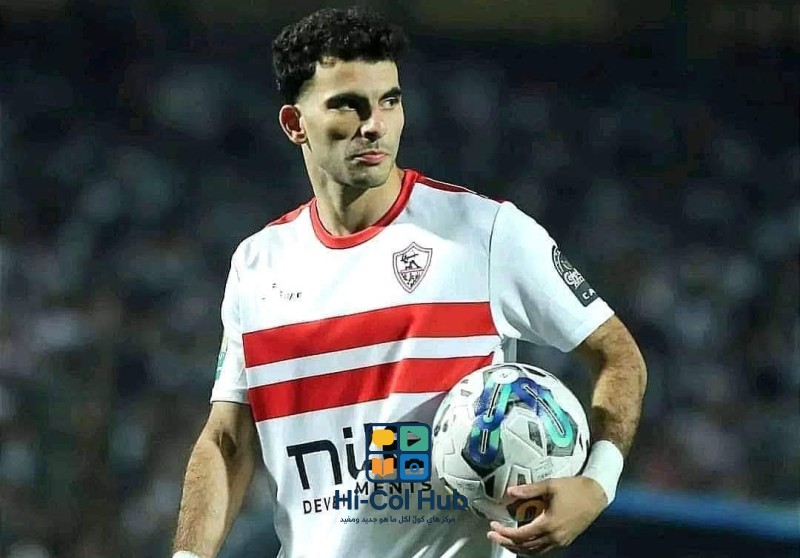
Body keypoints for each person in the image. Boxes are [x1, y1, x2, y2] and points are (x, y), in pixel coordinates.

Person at [172, 6, 647, 558]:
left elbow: (619, 356)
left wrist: (596, 484)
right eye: (347, 105)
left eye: (389, 101)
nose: (374, 124)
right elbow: (227, 440)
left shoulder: (486, 234)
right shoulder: (257, 266)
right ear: (294, 124)